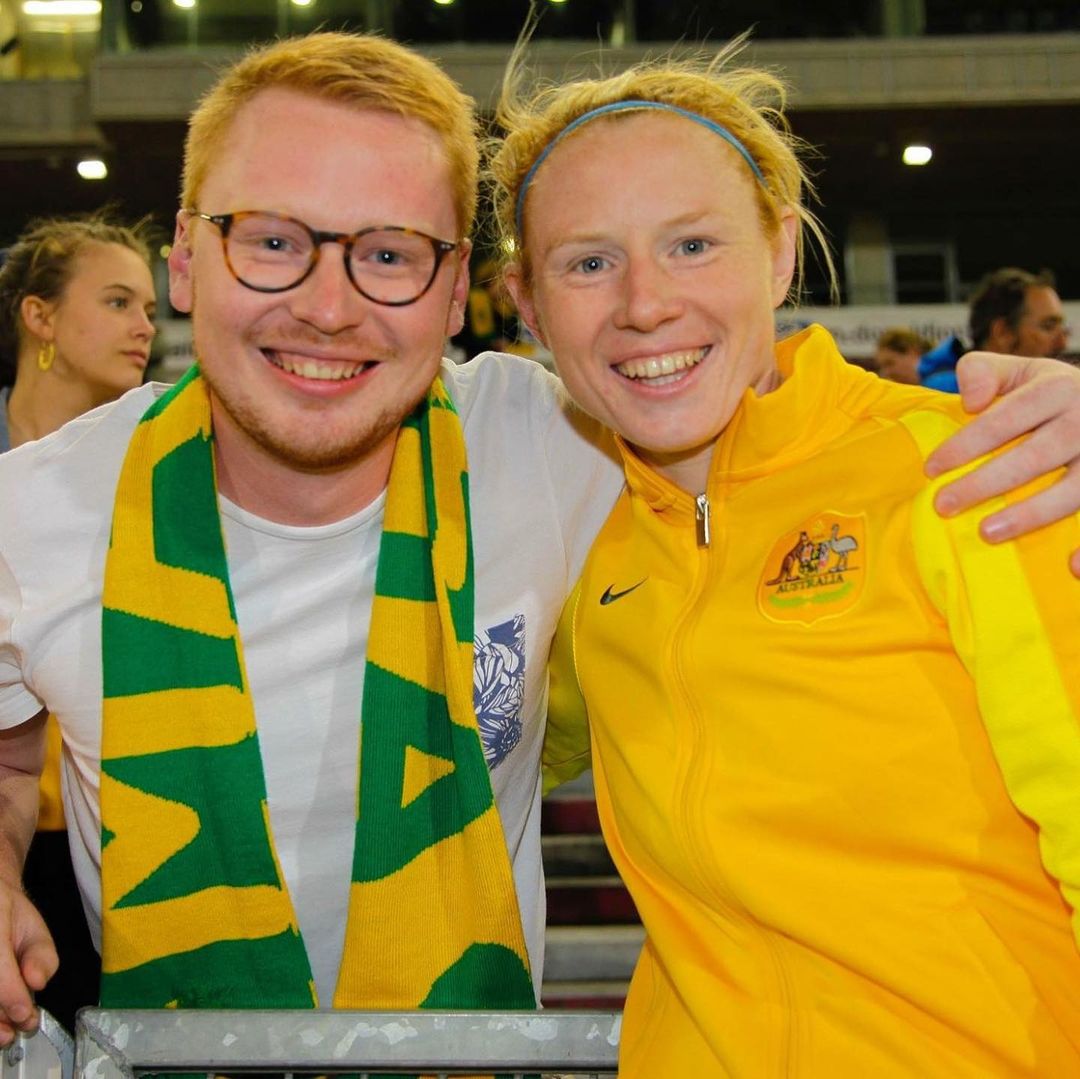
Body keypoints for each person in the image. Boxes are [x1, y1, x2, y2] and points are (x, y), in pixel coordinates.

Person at [0, 29, 1078, 1049]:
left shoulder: (585, 452)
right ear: (187, 257)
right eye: (276, 240)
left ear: (460, 288)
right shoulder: (32, 512)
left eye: (388, 253)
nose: (327, 308)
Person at [490, 39, 1080, 1077]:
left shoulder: (971, 466)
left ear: (778, 252)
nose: (643, 303)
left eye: (693, 245)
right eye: (588, 261)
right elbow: (499, 739)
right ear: (526, 303)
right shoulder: (583, 544)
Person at [0, 211, 157, 1033]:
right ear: (40, 316)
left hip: (127, 856)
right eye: (120, 301)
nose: (145, 327)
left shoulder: (153, 473)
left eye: (150, 309)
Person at [921, 267, 1071, 391]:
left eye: (1062, 328)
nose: (1063, 343)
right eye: (1048, 327)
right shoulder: (950, 395)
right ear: (1002, 332)